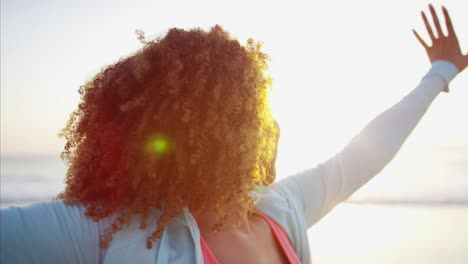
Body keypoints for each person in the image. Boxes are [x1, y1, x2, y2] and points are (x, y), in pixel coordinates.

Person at [1, 4, 466, 264]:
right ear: (223, 135)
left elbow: (369, 150)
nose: (273, 128)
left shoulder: (281, 206)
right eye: (257, 116)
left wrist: (439, 73)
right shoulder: (112, 230)